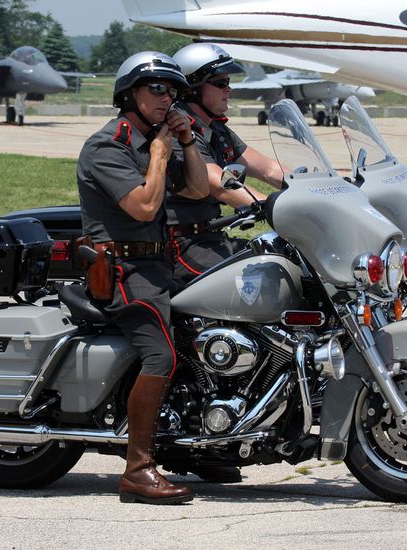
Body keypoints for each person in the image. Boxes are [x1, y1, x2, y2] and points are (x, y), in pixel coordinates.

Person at [76, 51, 209, 505]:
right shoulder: (108, 146)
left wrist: (187, 142)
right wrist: (157, 153)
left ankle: (203, 447)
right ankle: (138, 470)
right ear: (129, 92)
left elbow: (195, 189)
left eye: (172, 91)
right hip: (122, 271)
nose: (166, 98)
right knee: (161, 357)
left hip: (157, 266)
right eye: (156, 89)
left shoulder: (157, 140)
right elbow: (144, 206)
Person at [168, 43, 285, 290]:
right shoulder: (178, 131)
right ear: (191, 88)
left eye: (228, 82)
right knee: (260, 284)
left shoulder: (216, 129)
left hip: (211, 237)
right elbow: (220, 184)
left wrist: (318, 185)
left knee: (286, 262)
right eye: (220, 83)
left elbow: (269, 169)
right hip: (181, 246)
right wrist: (280, 208)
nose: (229, 89)